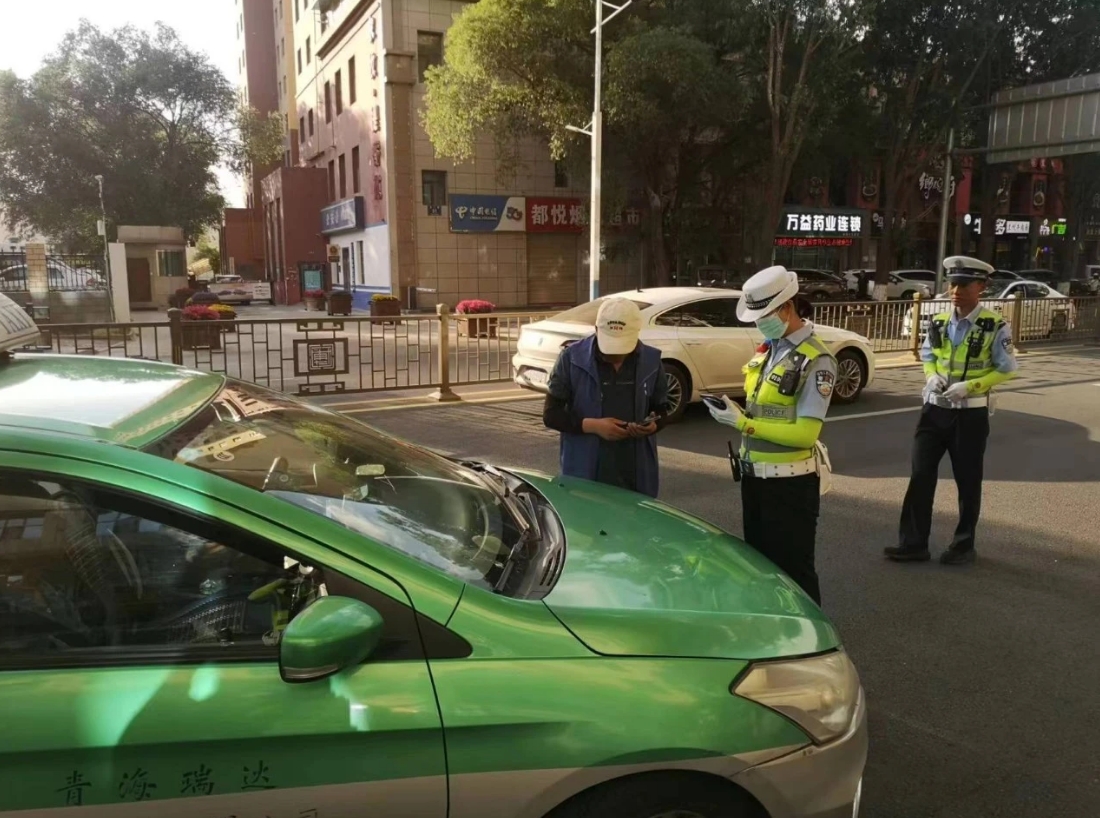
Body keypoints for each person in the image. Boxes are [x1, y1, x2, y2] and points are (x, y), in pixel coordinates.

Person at [707, 266, 837, 604]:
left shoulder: (817, 360)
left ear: (787, 308)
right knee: (760, 569)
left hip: (790, 485)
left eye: (764, 316)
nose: (759, 323)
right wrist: (736, 411)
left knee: (795, 573)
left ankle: (810, 633)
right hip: (755, 480)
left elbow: (806, 434)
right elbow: (767, 407)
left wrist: (743, 424)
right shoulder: (771, 349)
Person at [886, 256, 1019, 566]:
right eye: (952, 284)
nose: (956, 291)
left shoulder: (995, 325)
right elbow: (929, 356)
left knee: (967, 481)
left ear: (981, 287)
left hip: (969, 413)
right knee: (920, 475)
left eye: (964, 285)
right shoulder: (939, 321)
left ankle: (963, 546)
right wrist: (931, 376)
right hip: (934, 411)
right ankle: (913, 544)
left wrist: (971, 386)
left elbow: (1007, 368)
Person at [542, 297, 670, 498]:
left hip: (635, 471)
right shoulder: (571, 359)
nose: (615, 356)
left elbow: (661, 408)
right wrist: (593, 426)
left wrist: (653, 425)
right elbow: (551, 415)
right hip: (584, 471)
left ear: (637, 332)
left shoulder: (651, 361)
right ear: (596, 329)